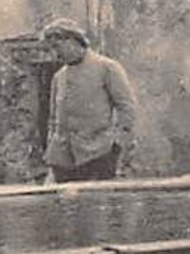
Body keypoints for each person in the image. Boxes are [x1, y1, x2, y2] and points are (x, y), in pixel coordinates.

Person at [40, 17, 137, 182]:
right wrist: (53, 155)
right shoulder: (59, 77)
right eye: (51, 48)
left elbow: (126, 108)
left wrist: (117, 145)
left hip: (98, 154)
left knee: (97, 203)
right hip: (63, 160)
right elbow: (54, 119)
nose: (55, 54)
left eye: (57, 47)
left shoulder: (107, 67)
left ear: (72, 40)